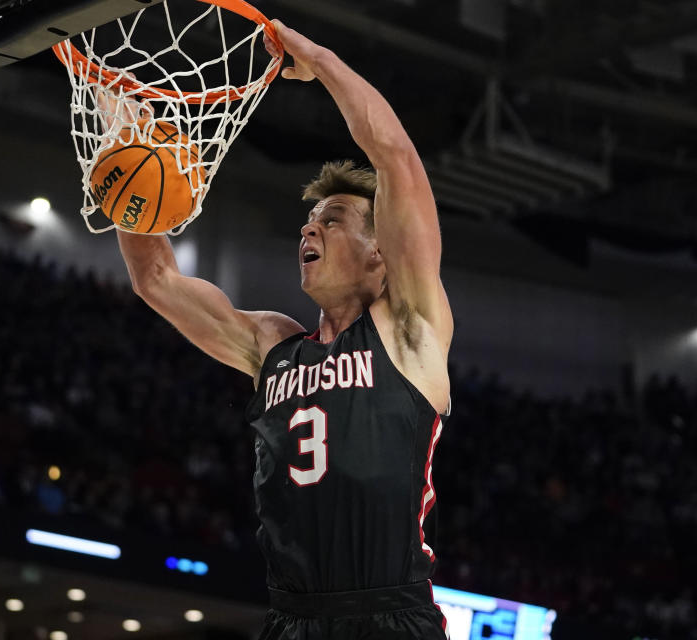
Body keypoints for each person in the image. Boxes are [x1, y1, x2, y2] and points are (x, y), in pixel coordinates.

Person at [114, 20, 453, 640]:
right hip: (291, 620)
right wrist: (130, 178)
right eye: (306, 221)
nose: (308, 230)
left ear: (382, 251)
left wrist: (319, 60)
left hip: (389, 616)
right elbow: (156, 279)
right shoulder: (273, 345)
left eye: (332, 219)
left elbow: (395, 156)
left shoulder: (410, 328)